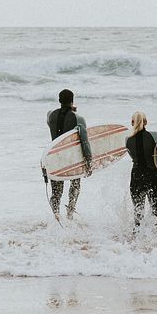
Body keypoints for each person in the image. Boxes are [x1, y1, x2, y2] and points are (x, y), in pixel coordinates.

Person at [125, 112, 157, 231]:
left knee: (138, 216)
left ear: (132, 123)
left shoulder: (127, 140)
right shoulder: (155, 135)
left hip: (136, 177)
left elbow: (133, 157)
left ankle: (134, 244)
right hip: (153, 176)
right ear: (146, 122)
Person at [46, 88, 92, 220]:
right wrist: (89, 162)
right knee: (75, 185)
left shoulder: (51, 116)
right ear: (72, 101)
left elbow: (50, 117)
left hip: (54, 157)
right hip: (71, 158)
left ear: (59, 100)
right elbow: (85, 142)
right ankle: (70, 212)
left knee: (56, 192)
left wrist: (69, 109)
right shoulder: (78, 119)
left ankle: (56, 215)